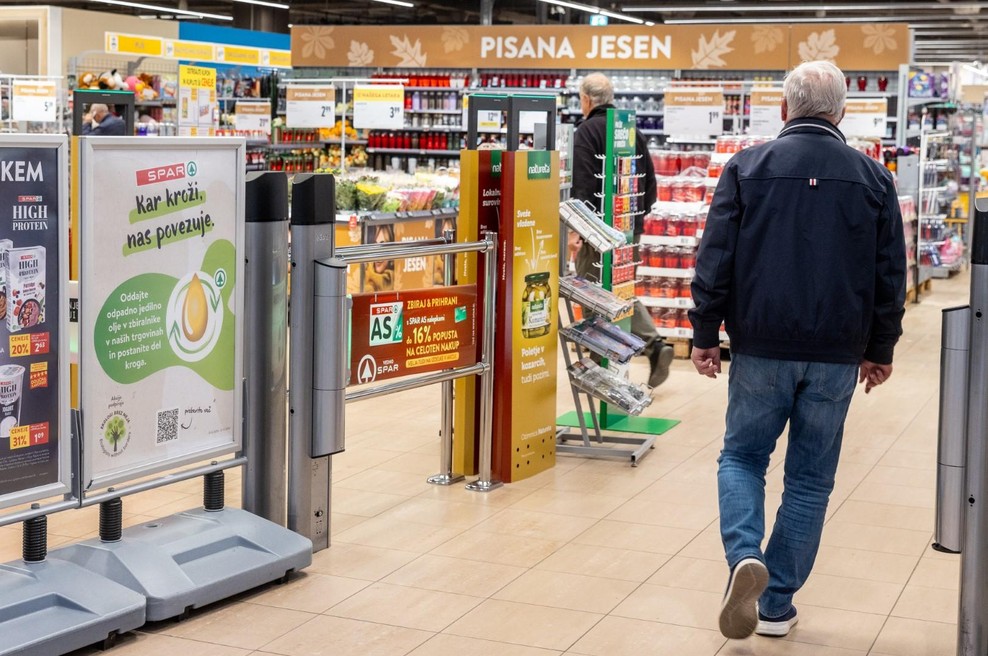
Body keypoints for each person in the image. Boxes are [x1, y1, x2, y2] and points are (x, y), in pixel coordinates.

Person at [688, 60, 906, 641]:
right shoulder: (874, 179)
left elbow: (715, 258)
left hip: (759, 345)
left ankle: (743, 559)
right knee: (810, 479)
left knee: (742, 457)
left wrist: (705, 332)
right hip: (838, 354)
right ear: (841, 112)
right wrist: (881, 346)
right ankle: (777, 602)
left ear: (784, 110)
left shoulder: (746, 167)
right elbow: (891, 275)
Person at [572, 72, 673, 388]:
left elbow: (585, 186)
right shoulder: (632, 130)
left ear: (586, 100)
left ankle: (631, 350)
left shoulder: (586, 131)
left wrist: (580, 231)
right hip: (629, 228)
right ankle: (648, 347)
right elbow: (650, 186)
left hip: (597, 232)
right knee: (621, 287)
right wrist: (634, 223)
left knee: (591, 290)